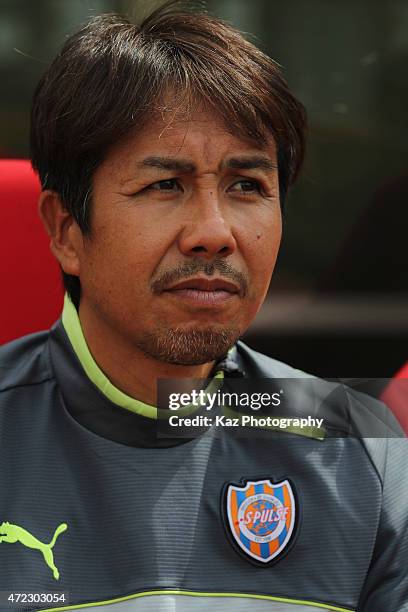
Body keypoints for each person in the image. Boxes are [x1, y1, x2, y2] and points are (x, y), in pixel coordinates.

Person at [0, 2, 407, 611]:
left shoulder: (355, 444)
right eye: (165, 185)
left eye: (247, 186)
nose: (214, 232)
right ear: (65, 231)